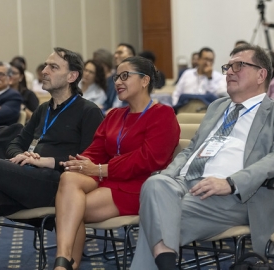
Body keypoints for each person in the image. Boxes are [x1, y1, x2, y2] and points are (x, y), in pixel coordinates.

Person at [130, 44, 274, 270]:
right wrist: (169, 178)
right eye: (227, 67)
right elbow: (191, 149)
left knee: (156, 218)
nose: (229, 72)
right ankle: (166, 261)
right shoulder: (217, 106)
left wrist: (231, 183)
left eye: (239, 66)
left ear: (261, 74)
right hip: (186, 183)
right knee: (156, 184)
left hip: (238, 195)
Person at [0, 47, 104, 269]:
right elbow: (15, 143)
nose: (44, 71)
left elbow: (88, 159)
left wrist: (47, 161)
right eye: (45, 66)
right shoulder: (43, 109)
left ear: (72, 76)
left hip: (58, 184)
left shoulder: (88, 111)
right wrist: (21, 155)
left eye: (53, 67)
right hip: (27, 178)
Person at [53, 56, 180, 270]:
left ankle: (65, 264)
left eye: (124, 76)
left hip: (140, 186)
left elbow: (148, 159)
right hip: (108, 178)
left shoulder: (162, 114)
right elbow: (96, 151)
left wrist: (101, 169)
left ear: (144, 80)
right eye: (115, 77)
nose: (117, 82)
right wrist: (79, 163)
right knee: (69, 178)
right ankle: (64, 263)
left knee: (69, 210)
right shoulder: (115, 115)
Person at [103, 43, 136, 112]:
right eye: (115, 53)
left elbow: (137, 103)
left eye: (120, 53)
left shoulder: (137, 78)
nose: (115, 56)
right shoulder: (111, 79)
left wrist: (117, 111)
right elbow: (108, 102)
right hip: (110, 115)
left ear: (131, 56)